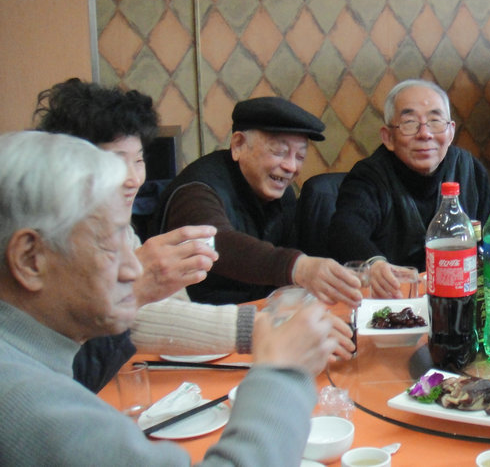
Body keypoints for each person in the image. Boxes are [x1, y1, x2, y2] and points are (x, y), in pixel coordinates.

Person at [0, 131, 346, 465]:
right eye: (110, 244)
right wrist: (282, 374)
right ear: (30, 259)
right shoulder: (29, 403)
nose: (134, 269)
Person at [33, 79, 345, 391]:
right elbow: (215, 243)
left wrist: (269, 328)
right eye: (114, 162)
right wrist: (291, 280)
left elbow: (149, 316)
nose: (133, 179)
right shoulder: (50, 244)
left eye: (138, 160)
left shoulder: (118, 229)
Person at [156, 97, 362, 305]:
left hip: (259, 312)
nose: (291, 167)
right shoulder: (196, 190)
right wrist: (298, 267)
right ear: (238, 145)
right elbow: (216, 243)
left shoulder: (283, 195)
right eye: (279, 152)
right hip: (201, 318)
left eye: (300, 157)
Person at [324, 79, 490, 298]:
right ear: (388, 137)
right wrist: (374, 264)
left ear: (451, 132)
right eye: (410, 123)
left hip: (458, 298)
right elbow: (345, 229)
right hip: (394, 298)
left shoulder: (469, 170)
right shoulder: (370, 175)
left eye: (435, 121)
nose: (425, 134)